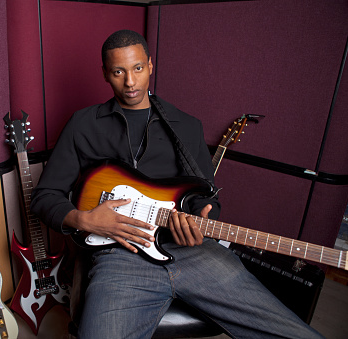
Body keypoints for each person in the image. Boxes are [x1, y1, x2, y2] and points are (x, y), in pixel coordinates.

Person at [30, 30, 323, 339]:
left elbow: (205, 197)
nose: (130, 82)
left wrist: (200, 220)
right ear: (105, 73)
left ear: (150, 65)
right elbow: (44, 197)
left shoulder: (186, 125)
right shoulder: (83, 124)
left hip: (192, 252)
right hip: (121, 254)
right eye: (119, 72)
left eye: (138, 68)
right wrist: (84, 219)